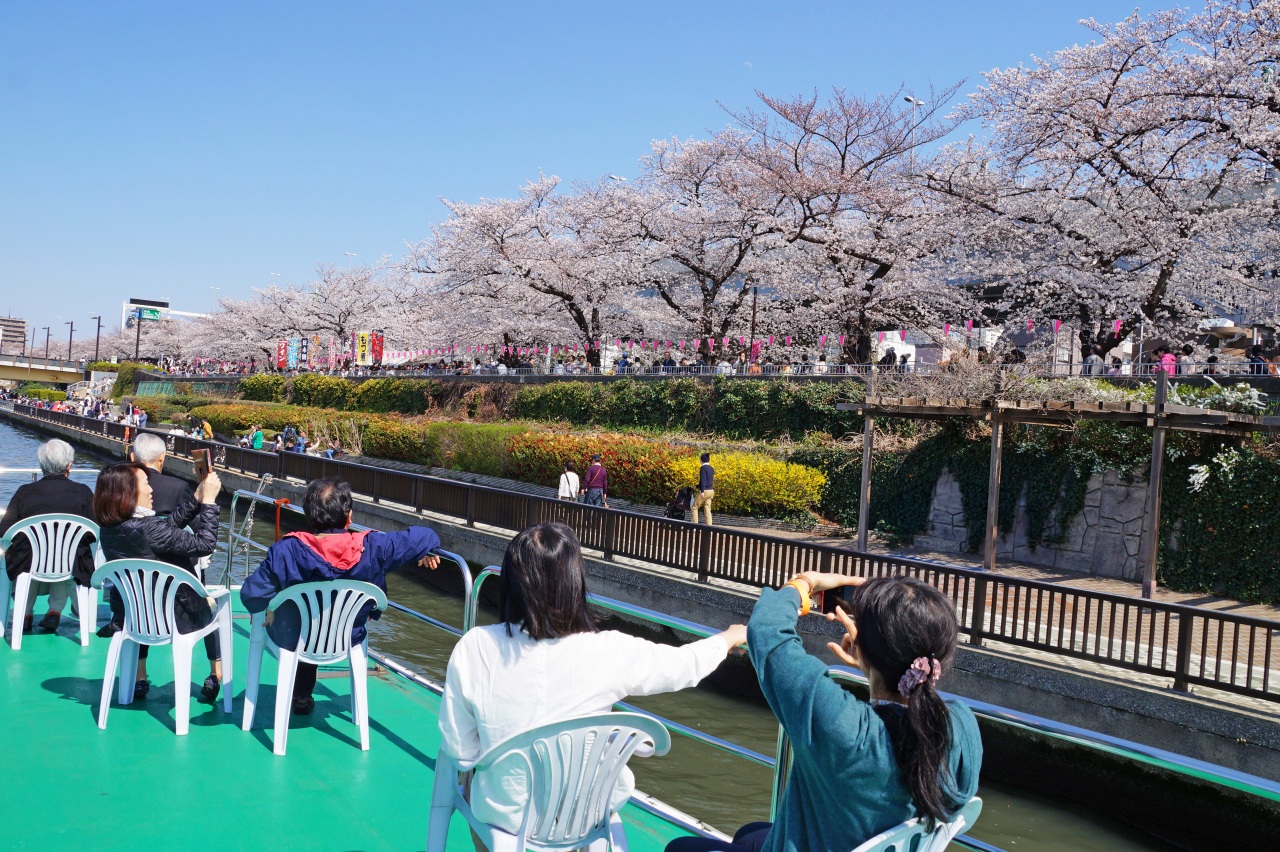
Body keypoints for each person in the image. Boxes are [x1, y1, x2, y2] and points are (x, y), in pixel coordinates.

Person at [440, 523, 745, 836]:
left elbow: (461, 749)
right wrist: (728, 638)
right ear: (574, 581)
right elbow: (684, 665)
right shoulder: (609, 650)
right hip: (583, 816)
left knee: (477, 794)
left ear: (511, 581)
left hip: (506, 818)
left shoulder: (476, 646)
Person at [667, 573, 981, 852]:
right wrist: (872, 664)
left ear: (864, 649)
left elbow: (766, 633)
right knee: (750, 834)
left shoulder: (842, 726)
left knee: (680, 847)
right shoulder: (960, 724)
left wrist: (801, 583)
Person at [240, 478, 441, 714]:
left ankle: (301, 694)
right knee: (318, 621)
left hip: (295, 637)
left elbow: (250, 596)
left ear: (309, 515)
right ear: (349, 516)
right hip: (347, 638)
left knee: (304, 619)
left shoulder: (287, 551)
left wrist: (272, 606)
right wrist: (427, 548)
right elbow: (426, 536)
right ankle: (304, 695)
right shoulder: (375, 546)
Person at [95, 462, 225, 701]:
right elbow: (205, 544)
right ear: (129, 492)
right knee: (216, 602)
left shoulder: (110, 530)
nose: (151, 489)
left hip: (135, 619)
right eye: (146, 483)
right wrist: (208, 504)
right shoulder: (150, 528)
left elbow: (163, 529)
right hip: (177, 618)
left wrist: (195, 499)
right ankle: (216, 673)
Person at [0, 439, 96, 633]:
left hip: (29, 564)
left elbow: (5, 530)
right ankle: (54, 612)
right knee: (66, 558)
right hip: (69, 565)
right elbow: (94, 531)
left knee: (31, 557)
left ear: (41, 466)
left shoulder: (24, 492)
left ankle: (25, 615)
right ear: (69, 466)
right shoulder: (83, 492)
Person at [692, 452, 715, 526]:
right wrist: (697, 486)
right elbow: (708, 481)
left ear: (702, 460)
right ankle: (709, 527)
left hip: (704, 491)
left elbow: (703, 480)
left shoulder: (703, 468)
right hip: (711, 491)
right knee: (707, 510)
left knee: (694, 507)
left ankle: (694, 526)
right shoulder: (711, 468)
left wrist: (701, 491)